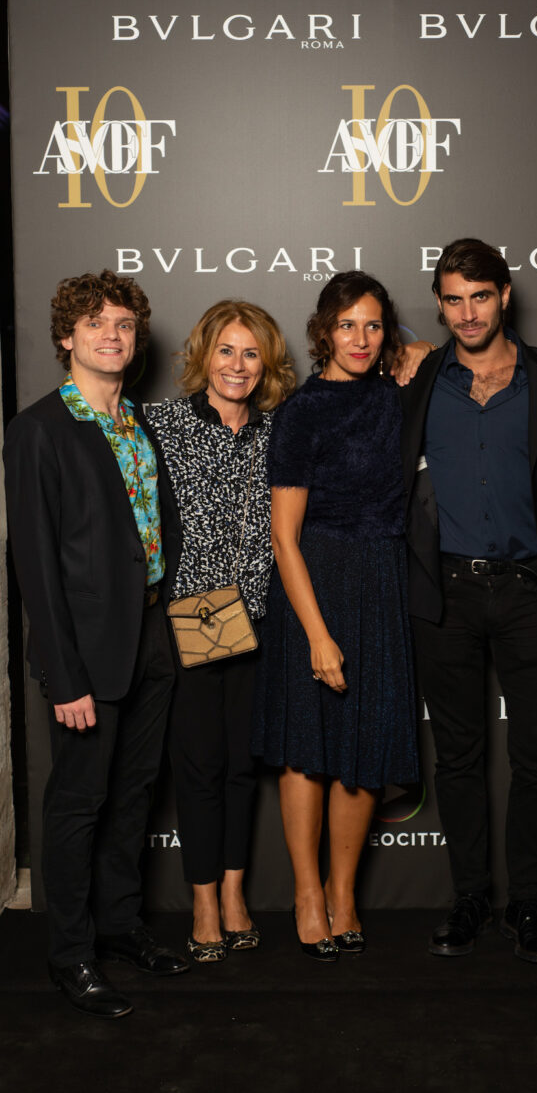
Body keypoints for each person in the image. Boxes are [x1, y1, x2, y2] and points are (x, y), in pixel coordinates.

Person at [3, 270, 188, 1019]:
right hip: (85, 652)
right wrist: (63, 673)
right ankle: (71, 953)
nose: (112, 335)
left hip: (151, 635)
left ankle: (119, 925)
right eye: (95, 323)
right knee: (80, 802)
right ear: (66, 336)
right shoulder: (40, 428)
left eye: (123, 324)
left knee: (134, 794)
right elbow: (35, 566)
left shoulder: (137, 421)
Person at [399, 238, 537, 963]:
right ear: (439, 306)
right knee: (459, 757)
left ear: (504, 295)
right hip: (446, 591)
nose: (468, 313)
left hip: (532, 587)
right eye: (453, 299)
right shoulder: (416, 378)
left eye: (480, 296)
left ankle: (528, 903)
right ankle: (469, 896)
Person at [253, 272, 421, 962]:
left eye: (374, 325)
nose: (361, 338)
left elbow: (460, 350)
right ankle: (306, 893)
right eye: (347, 324)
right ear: (324, 330)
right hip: (313, 582)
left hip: (381, 581)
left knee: (366, 743)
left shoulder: (396, 395)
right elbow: (283, 537)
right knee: (308, 744)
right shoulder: (302, 411)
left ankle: (343, 893)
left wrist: (416, 352)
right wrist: (317, 635)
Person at [146, 300, 295, 962]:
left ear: (268, 363)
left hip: (264, 616)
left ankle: (234, 892)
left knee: (242, 765)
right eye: (226, 350)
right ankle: (203, 899)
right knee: (201, 765)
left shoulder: (280, 430)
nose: (237, 365)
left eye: (251, 352)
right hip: (195, 617)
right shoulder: (162, 424)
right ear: (204, 355)